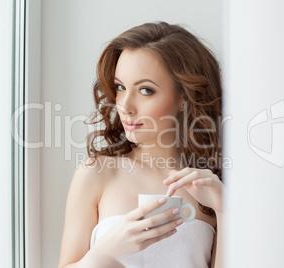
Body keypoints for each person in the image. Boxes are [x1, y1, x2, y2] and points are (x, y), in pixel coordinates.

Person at [58, 21, 225, 268]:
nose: (125, 105)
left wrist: (223, 210)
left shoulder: (210, 187)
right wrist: (105, 252)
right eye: (120, 87)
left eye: (146, 90)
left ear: (183, 97)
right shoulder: (96, 173)